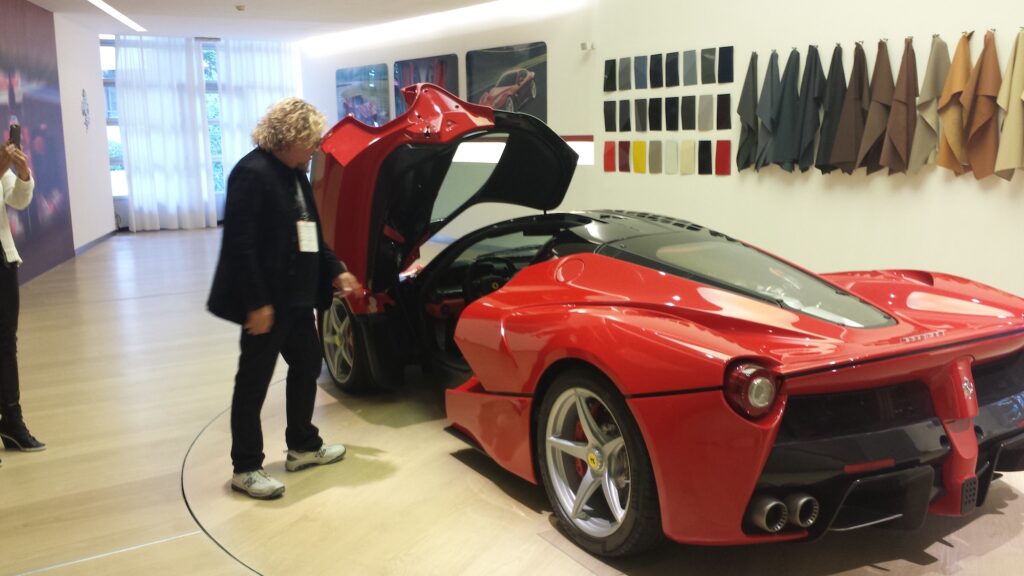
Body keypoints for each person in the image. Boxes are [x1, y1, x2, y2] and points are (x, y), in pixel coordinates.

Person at [207, 98, 361, 499]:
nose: (315, 149)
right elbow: (239, 246)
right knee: (253, 383)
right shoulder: (251, 173)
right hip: (267, 304)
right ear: (289, 136)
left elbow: (310, 233)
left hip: (296, 299)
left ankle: (303, 447)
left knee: (308, 364)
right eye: (310, 141)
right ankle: (245, 467)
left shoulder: (296, 173)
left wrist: (335, 268)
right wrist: (257, 303)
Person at [1, 138, 46, 460]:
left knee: (6, 344)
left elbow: (17, 200)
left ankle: (12, 424)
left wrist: (23, 173)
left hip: (3, 258)